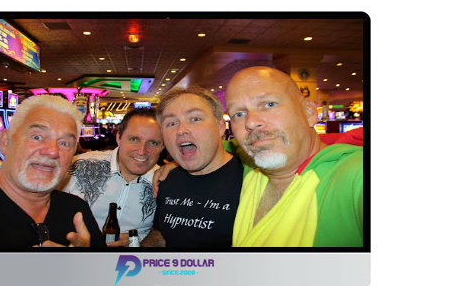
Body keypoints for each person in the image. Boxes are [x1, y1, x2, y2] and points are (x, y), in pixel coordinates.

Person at [224, 66, 363, 247]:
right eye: (239, 114)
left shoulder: (354, 173)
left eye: (269, 104)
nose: (250, 122)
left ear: (309, 112)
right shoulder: (246, 164)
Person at [0, 94, 106, 250]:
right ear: (5, 141)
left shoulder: (76, 209)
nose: (52, 151)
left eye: (64, 143)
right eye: (37, 137)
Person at [140, 86, 243, 248]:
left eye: (195, 119)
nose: (181, 130)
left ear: (220, 127)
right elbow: (161, 232)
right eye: (171, 123)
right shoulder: (167, 178)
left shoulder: (249, 181)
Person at [58, 108, 164, 246]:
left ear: (163, 146)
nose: (142, 151)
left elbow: (166, 233)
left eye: (153, 142)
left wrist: (139, 241)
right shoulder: (78, 166)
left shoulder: (166, 184)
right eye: (134, 139)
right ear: (119, 137)